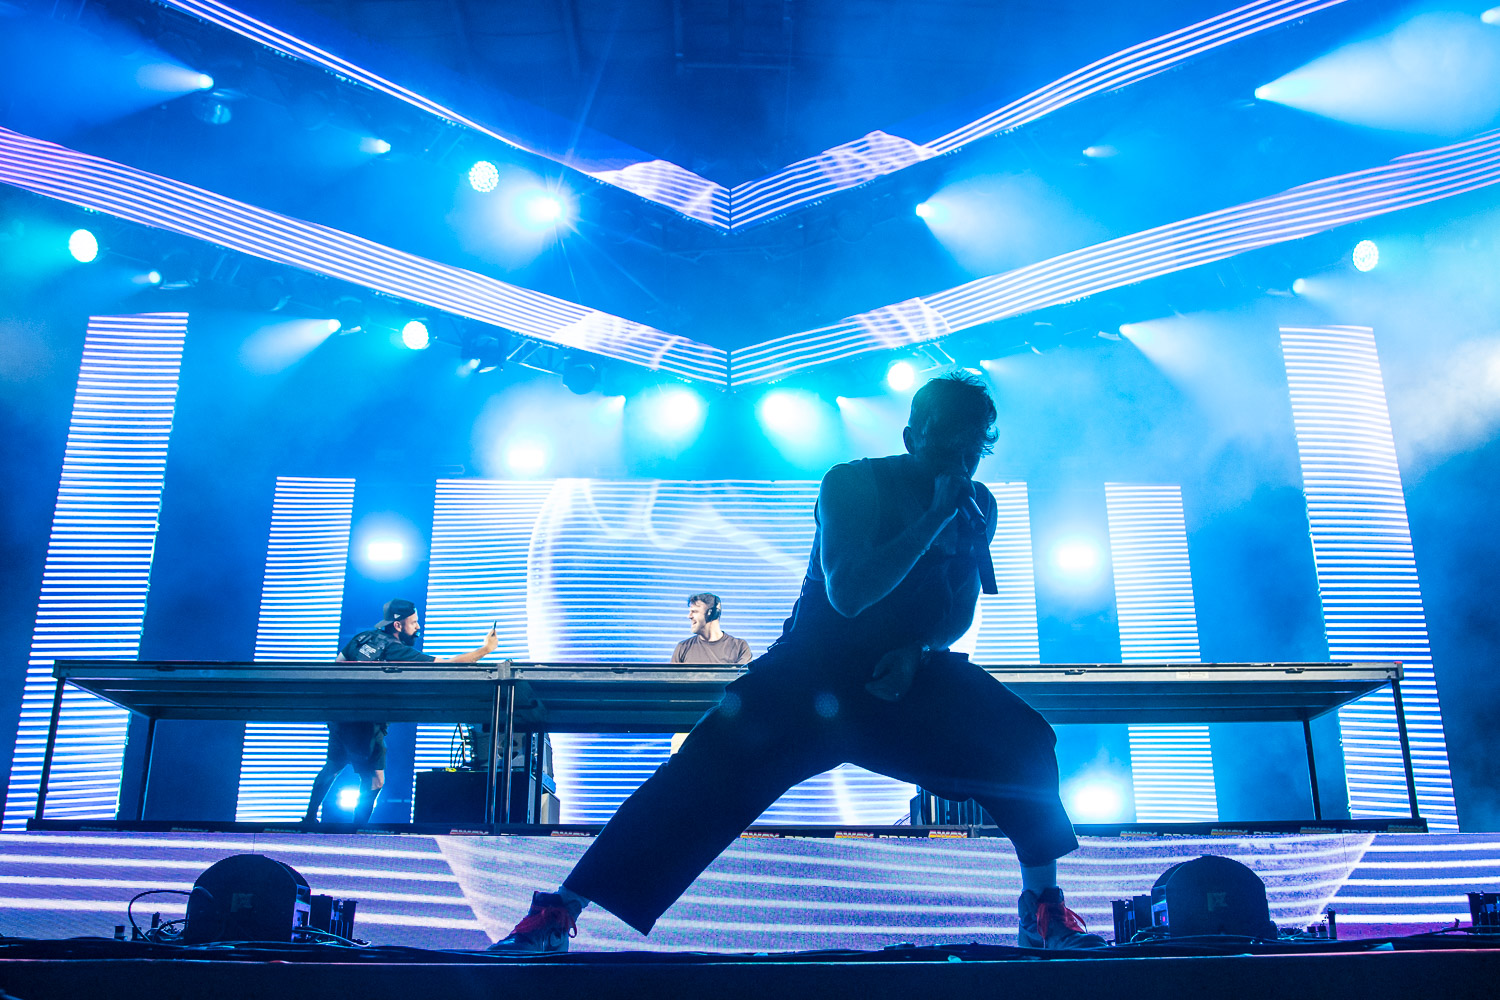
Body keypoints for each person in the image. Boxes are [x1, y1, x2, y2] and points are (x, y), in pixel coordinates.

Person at [489, 372, 1103, 952]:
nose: (962, 462)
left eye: (974, 450)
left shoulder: (978, 505)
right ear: (912, 436)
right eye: (949, 445)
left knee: (1022, 739)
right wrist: (935, 515)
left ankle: (1042, 909)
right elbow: (850, 592)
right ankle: (559, 911)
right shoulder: (853, 483)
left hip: (900, 678)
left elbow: (957, 611)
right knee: (699, 773)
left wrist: (919, 654)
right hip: (812, 673)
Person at [302, 598, 499, 825]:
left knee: (333, 765)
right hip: (365, 722)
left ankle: (309, 818)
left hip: (339, 717)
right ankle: (355, 830)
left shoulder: (362, 638)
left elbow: (338, 665)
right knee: (374, 780)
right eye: (413, 623)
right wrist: (486, 649)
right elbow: (448, 665)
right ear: (397, 625)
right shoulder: (394, 649)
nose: (417, 627)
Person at [671, 593, 753, 665]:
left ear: (711, 614)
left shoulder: (740, 647)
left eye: (694, 611)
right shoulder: (682, 647)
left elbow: (743, 677)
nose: (689, 616)